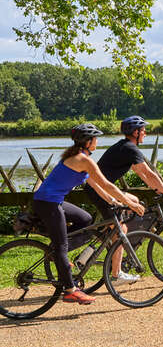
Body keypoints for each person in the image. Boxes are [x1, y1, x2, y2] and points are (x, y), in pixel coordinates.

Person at [33, 123, 145, 306]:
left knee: (85, 220)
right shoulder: (82, 159)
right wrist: (130, 203)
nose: (97, 141)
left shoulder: (79, 157)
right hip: (48, 203)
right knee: (61, 246)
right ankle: (70, 290)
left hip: (52, 201)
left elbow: (96, 185)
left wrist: (113, 201)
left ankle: (58, 255)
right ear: (88, 141)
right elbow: (108, 184)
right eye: (95, 138)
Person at [84, 115, 163, 282]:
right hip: (100, 191)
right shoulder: (130, 148)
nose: (145, 133)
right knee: (121, 230)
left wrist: (159, 189)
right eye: (143, 130)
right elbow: (149, 173)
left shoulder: (126, 147)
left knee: (135, 202)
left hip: (101, 189)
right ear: (135, 132)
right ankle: (117, 273)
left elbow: (142, 174)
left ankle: (115, 239)